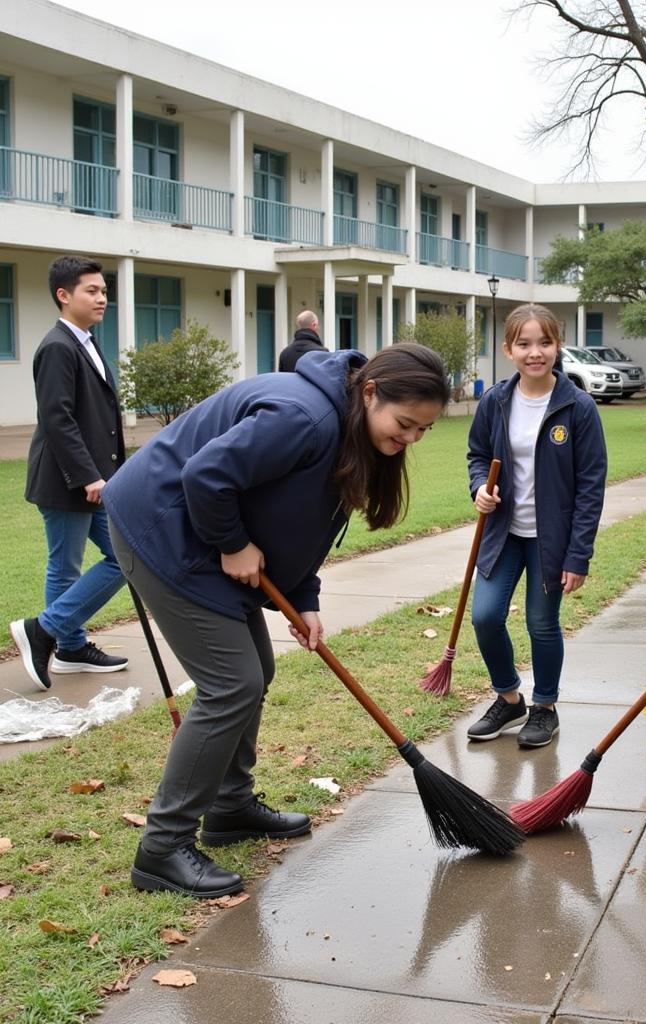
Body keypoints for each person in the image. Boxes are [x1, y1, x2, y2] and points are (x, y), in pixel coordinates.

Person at [102, 343, 449, 898]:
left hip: (199, 533)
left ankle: (230, 807)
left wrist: (304, 595)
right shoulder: (303, 418)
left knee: (254, 672)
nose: (409, 439)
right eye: (405, 423)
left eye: (423, 431)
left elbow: (301, 517)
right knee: (231, 683)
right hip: (162, 529)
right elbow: (205, 477)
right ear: (369, 392)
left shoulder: (344, 426)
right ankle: (162, 847)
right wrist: (234, 543)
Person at [466, 303, 607, 749]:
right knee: (485, 616)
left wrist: (578, 554)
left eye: (544, 342)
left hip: (551, 540)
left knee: (541, 624)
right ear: (508, 349)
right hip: (503, 533)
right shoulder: (495, 401)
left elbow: (591, 485)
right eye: (524, 344)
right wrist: (478, 490)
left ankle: (544, 708)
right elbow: (476, 456)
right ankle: (509, 699)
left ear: (557, 345)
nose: (535, 352)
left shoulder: (577, 407)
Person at [10, 255, 129, 692]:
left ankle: (62, 639)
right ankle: (56, 637)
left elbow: (99, 416)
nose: (102, 298)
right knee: (68, 567)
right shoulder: (58, 346)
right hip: (67, 481)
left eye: (103, 290)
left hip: (94, 479)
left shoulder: (86, 342)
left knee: (122, 555)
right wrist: (88, 476)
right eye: (92, 291)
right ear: (64, 295)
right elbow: (57, 418)